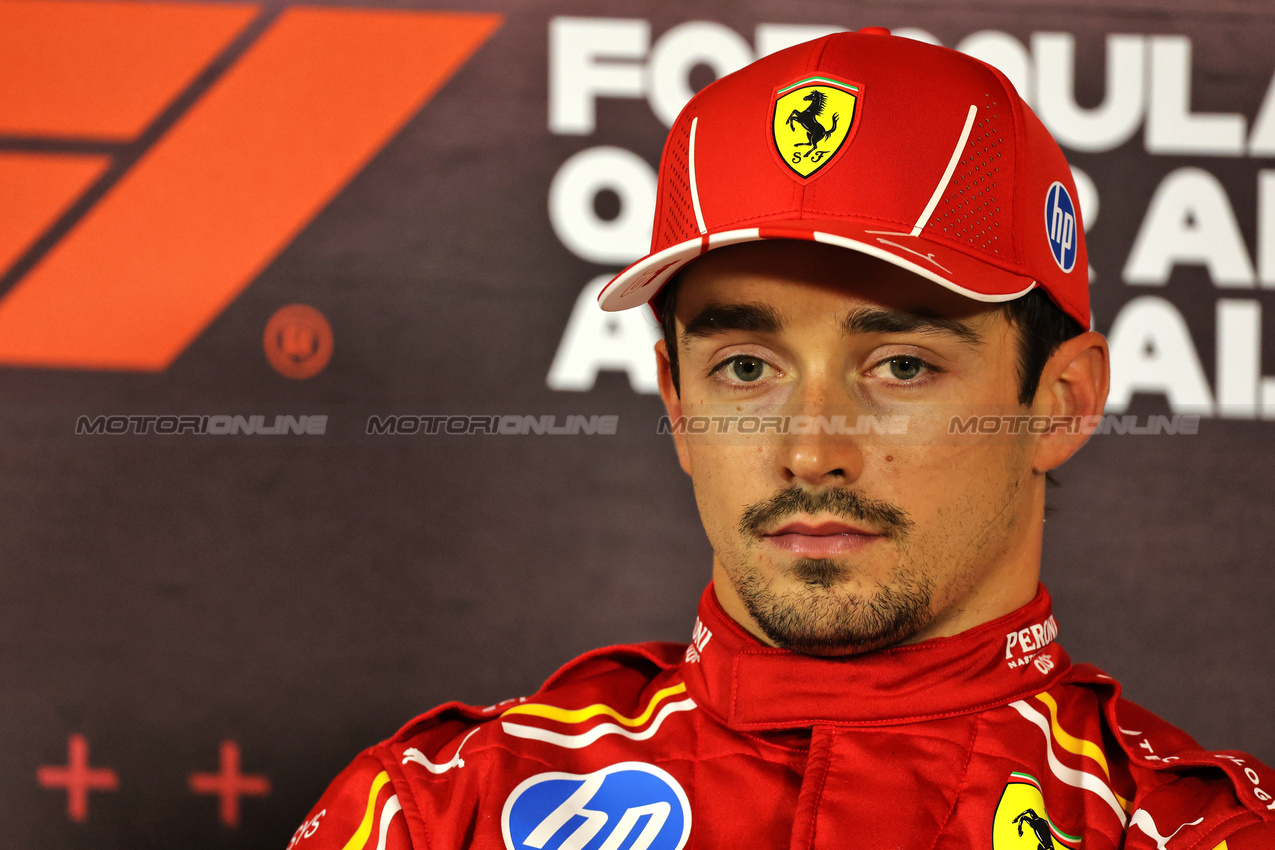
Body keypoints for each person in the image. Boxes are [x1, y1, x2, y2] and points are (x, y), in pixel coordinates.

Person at [288, 28, 1275, 850]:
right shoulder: (442, 810)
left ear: (1059, 403)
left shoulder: (1195, 830)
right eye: (747, 368)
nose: (811, 452)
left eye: (899, 366)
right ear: (677, 403)